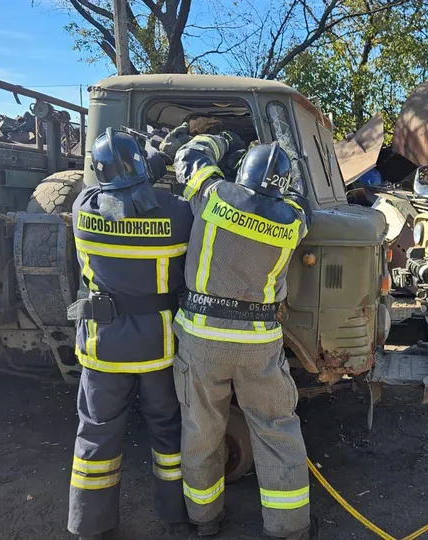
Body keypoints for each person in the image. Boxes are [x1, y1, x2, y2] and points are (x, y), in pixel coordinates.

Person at [164, 127, 318, 540]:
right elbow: (298, 198)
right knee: (276, 430)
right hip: (259, 345)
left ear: (242, 175)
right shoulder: (295, 222)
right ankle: (289, 528)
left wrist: (222, 140)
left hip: (202, 339)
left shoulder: (213, 196)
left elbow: (191, 156)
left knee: (202, 430)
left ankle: (205, 520)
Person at [66, 127, 192, 540]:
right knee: (167, 434)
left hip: (104, 349)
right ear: (140, 169)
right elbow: (150, 197)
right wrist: (162, 154)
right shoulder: (176, 213)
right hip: (158, 348)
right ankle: (175, 517)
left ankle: (90, 525)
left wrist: (142, 165)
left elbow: (110, 190)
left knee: (97, 435)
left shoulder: (83, 209)